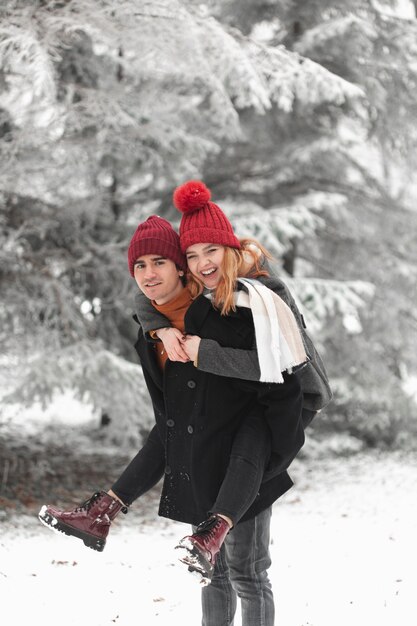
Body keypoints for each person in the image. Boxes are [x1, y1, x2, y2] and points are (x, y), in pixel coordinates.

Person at [38, 181, 330, 625]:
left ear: (227, 248)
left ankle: (119, 514)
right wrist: (159, 329)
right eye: (191, 256)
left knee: (249, 574)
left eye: (207, 251)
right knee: (212, 575)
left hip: (265, 429)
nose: (200, 263)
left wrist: (199, 351)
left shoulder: (260, 296)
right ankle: (104, 511)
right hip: (206, 446)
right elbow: (150, 301)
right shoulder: (185, 310)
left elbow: (283, 373)